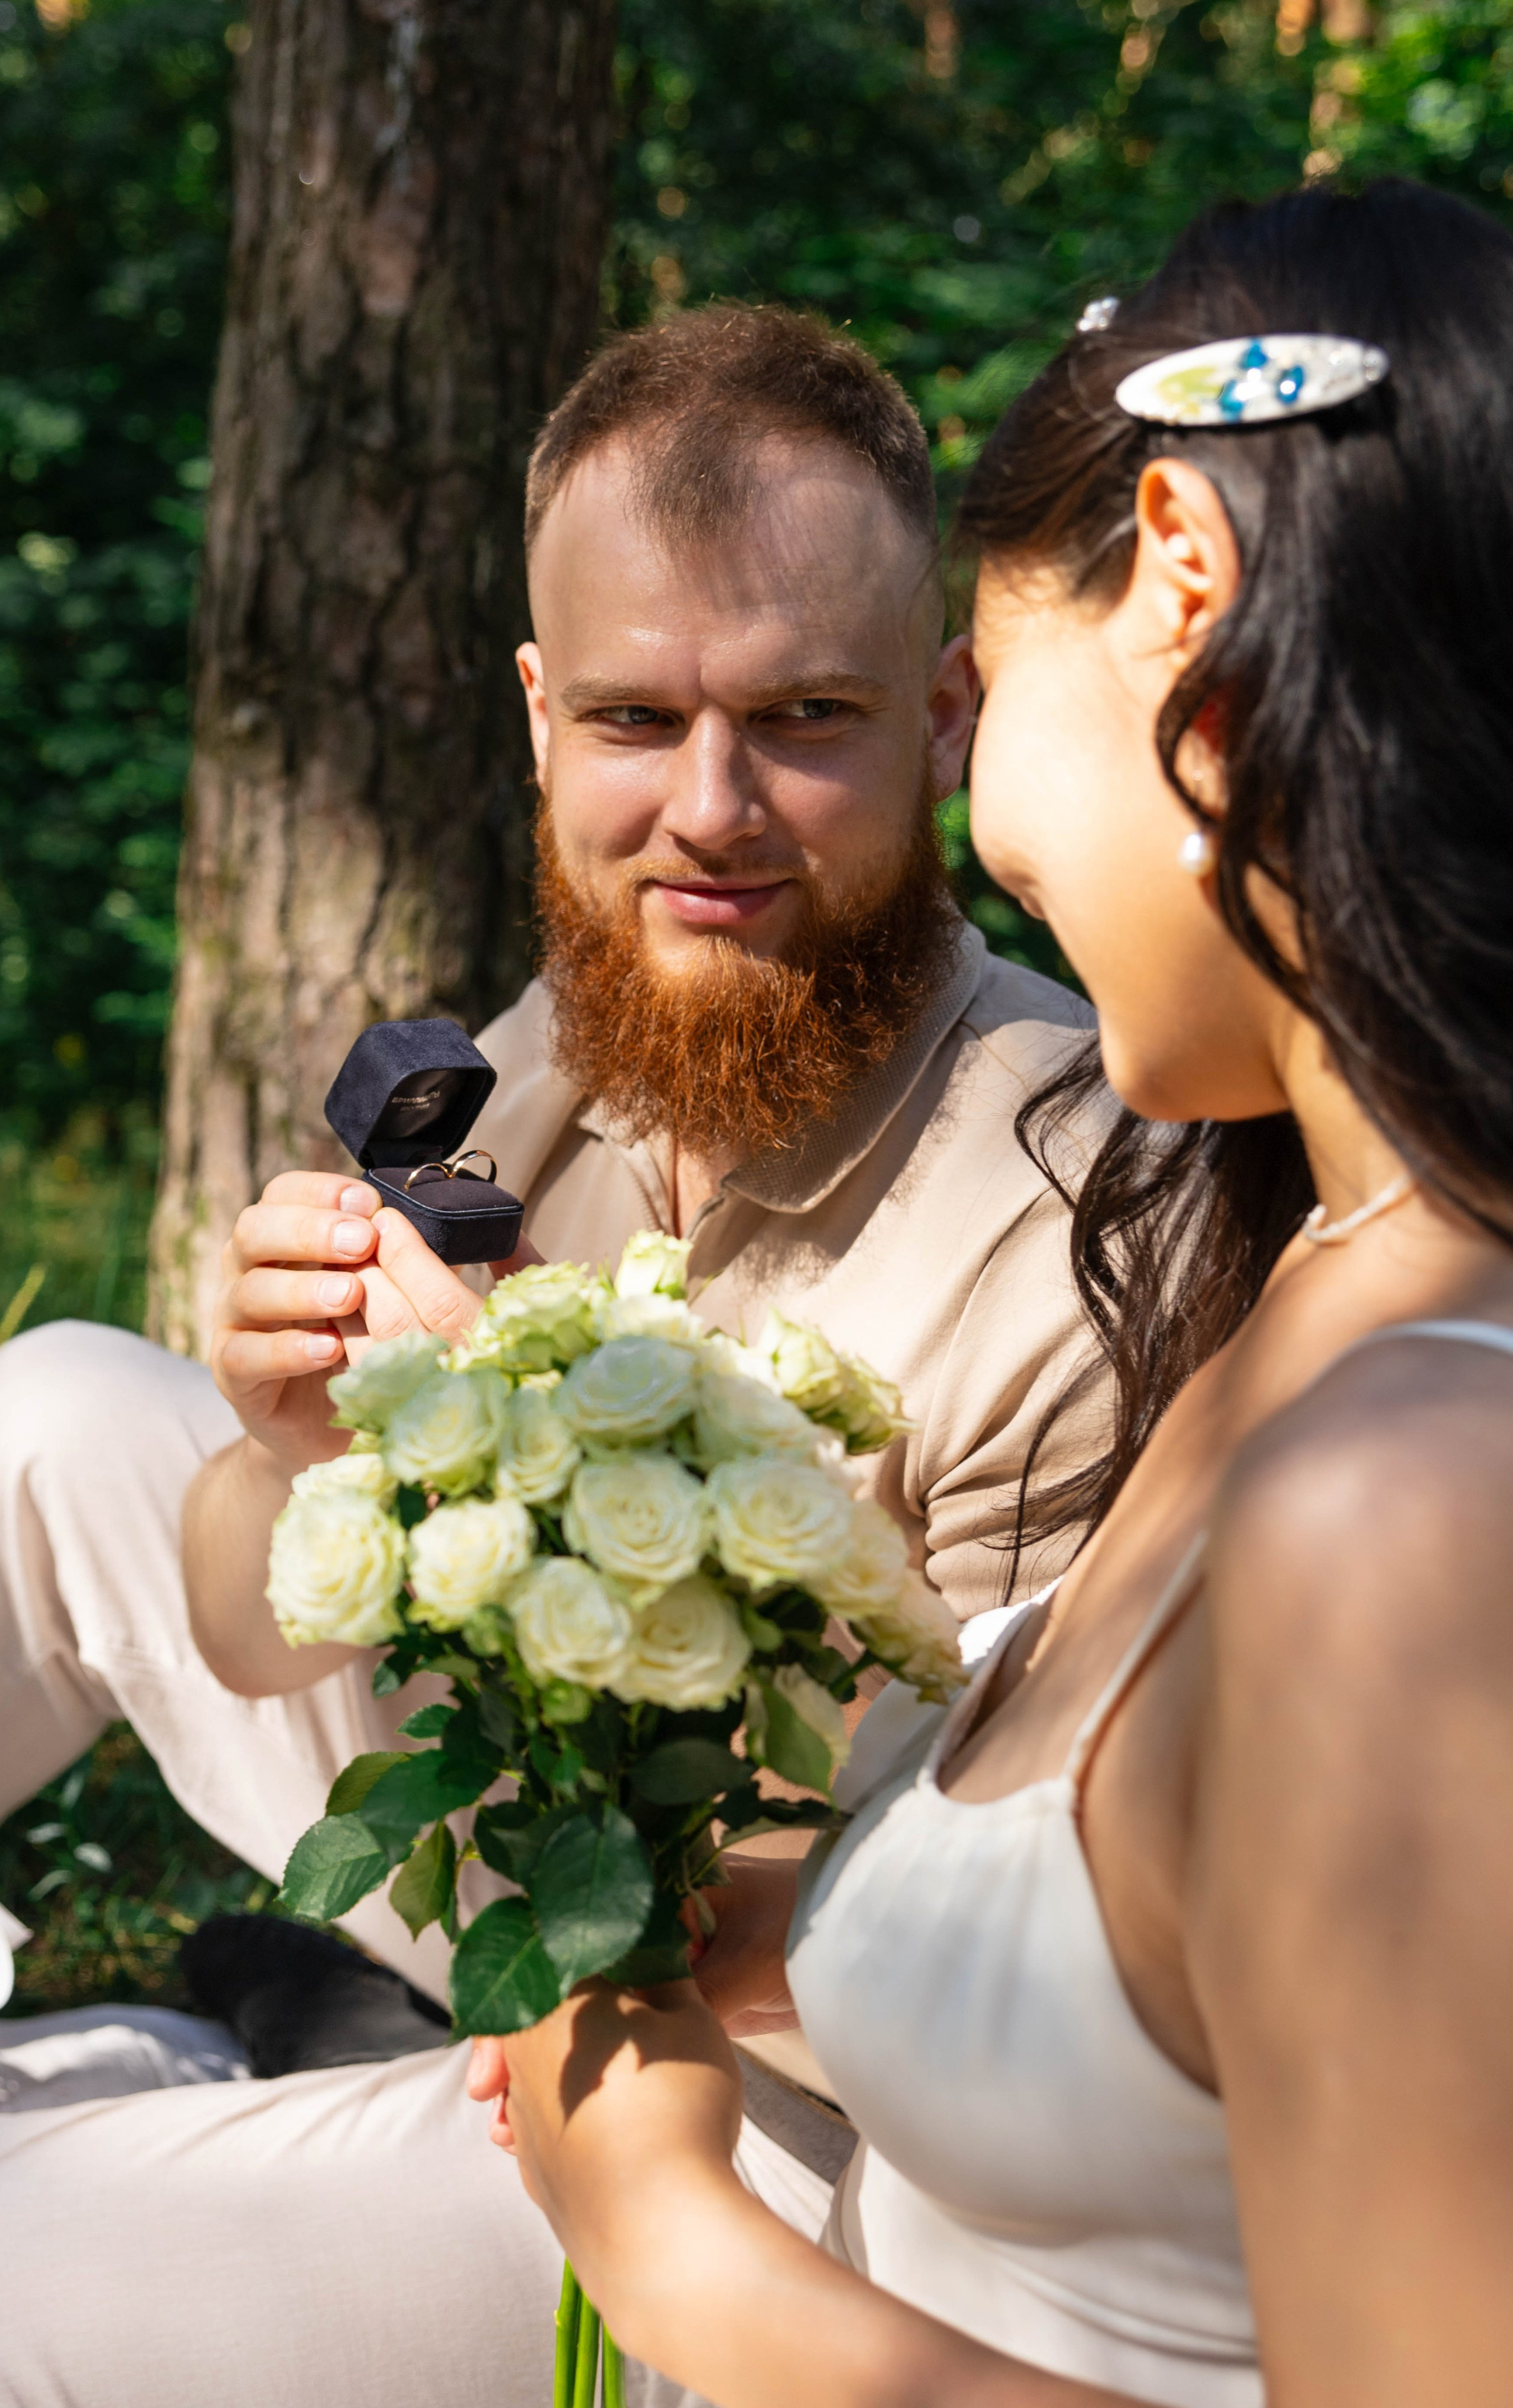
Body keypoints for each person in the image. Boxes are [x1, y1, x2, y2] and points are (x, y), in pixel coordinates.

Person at [0, 305, 1100, 2406]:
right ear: (542, 720)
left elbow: (1018, 1972)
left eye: (804, 718)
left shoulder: (1072, 1216)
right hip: (517, 1865)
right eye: (638, 720)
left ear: (944, 716)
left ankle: (84, 2129)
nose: (709, 814)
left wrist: (535, 1459)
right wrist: (290, 1453)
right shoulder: (551, 1056)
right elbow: (249, 1633)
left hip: (778, 2117)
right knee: (48, 1413)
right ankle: (95, 2092)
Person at [472, 176, 1513, 2408]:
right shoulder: (1299, 1262)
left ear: (1185, 596)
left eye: (986, 679)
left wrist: (676, 2247)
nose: (990, 833)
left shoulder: (1417, 1505)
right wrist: (781, 1938)